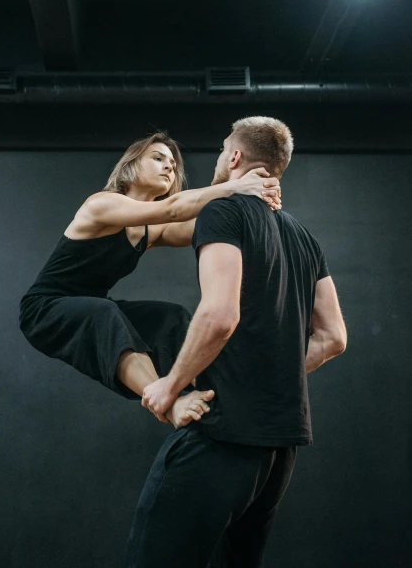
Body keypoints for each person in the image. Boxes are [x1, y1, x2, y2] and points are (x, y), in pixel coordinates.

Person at [124, 117, 347, 567]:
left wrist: (170, 387)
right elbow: (333, 337)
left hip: (222, 439)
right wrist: (265, 371)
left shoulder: (223, 211)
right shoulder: (304, 238)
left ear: (236, 157)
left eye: (224, 148)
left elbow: (220, 315)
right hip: (278, 452)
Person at [19, 131, 281, 427]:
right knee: (105, 313)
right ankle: (164, 401)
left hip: (92, 305)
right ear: (131, 166)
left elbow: (208, 221)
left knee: (170, 317)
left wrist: (257, 201)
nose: (169, 166)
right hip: (45, 309)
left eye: (172, 163)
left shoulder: (149, 230)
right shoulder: (101, 205)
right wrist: (237, 185)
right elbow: (173, 209)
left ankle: (211, 394)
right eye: (158, 158)